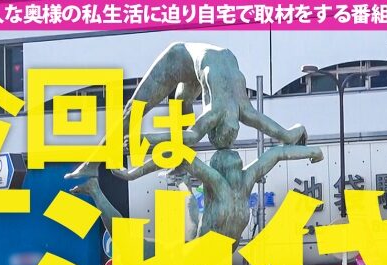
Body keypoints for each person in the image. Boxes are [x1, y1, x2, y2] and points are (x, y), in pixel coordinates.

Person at [65, 42, 307, 180]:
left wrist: (295, 132)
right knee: (134, 109)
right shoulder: (219, 111)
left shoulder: (245, 111)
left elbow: (280, 131)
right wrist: (143, 140)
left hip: (209, 64)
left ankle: (179, 164)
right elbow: (190, 135)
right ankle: (91, 163)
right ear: (215, 128)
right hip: (178, 58)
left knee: (182, 101)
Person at [72, 143, 323, 251]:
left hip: (203, 252)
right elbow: (276, 153)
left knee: (129, 245)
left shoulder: (226, 182)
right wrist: (313, 151)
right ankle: (95, 190)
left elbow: (179, 155)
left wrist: (133, 174)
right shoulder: (235, 182)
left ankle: (95, 191)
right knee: (130, 245)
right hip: (198, 251)